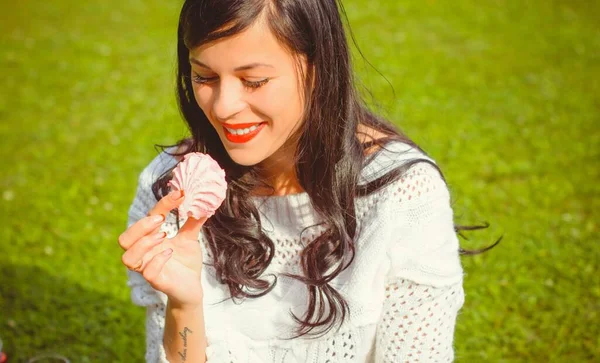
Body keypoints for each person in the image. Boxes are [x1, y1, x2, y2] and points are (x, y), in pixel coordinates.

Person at [118, 0, 498, 362]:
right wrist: (185, 305)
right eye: (204, 76)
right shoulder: (172, 189)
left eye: (254, 81)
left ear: (318, 68)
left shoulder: (401, 195)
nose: (223, 106)